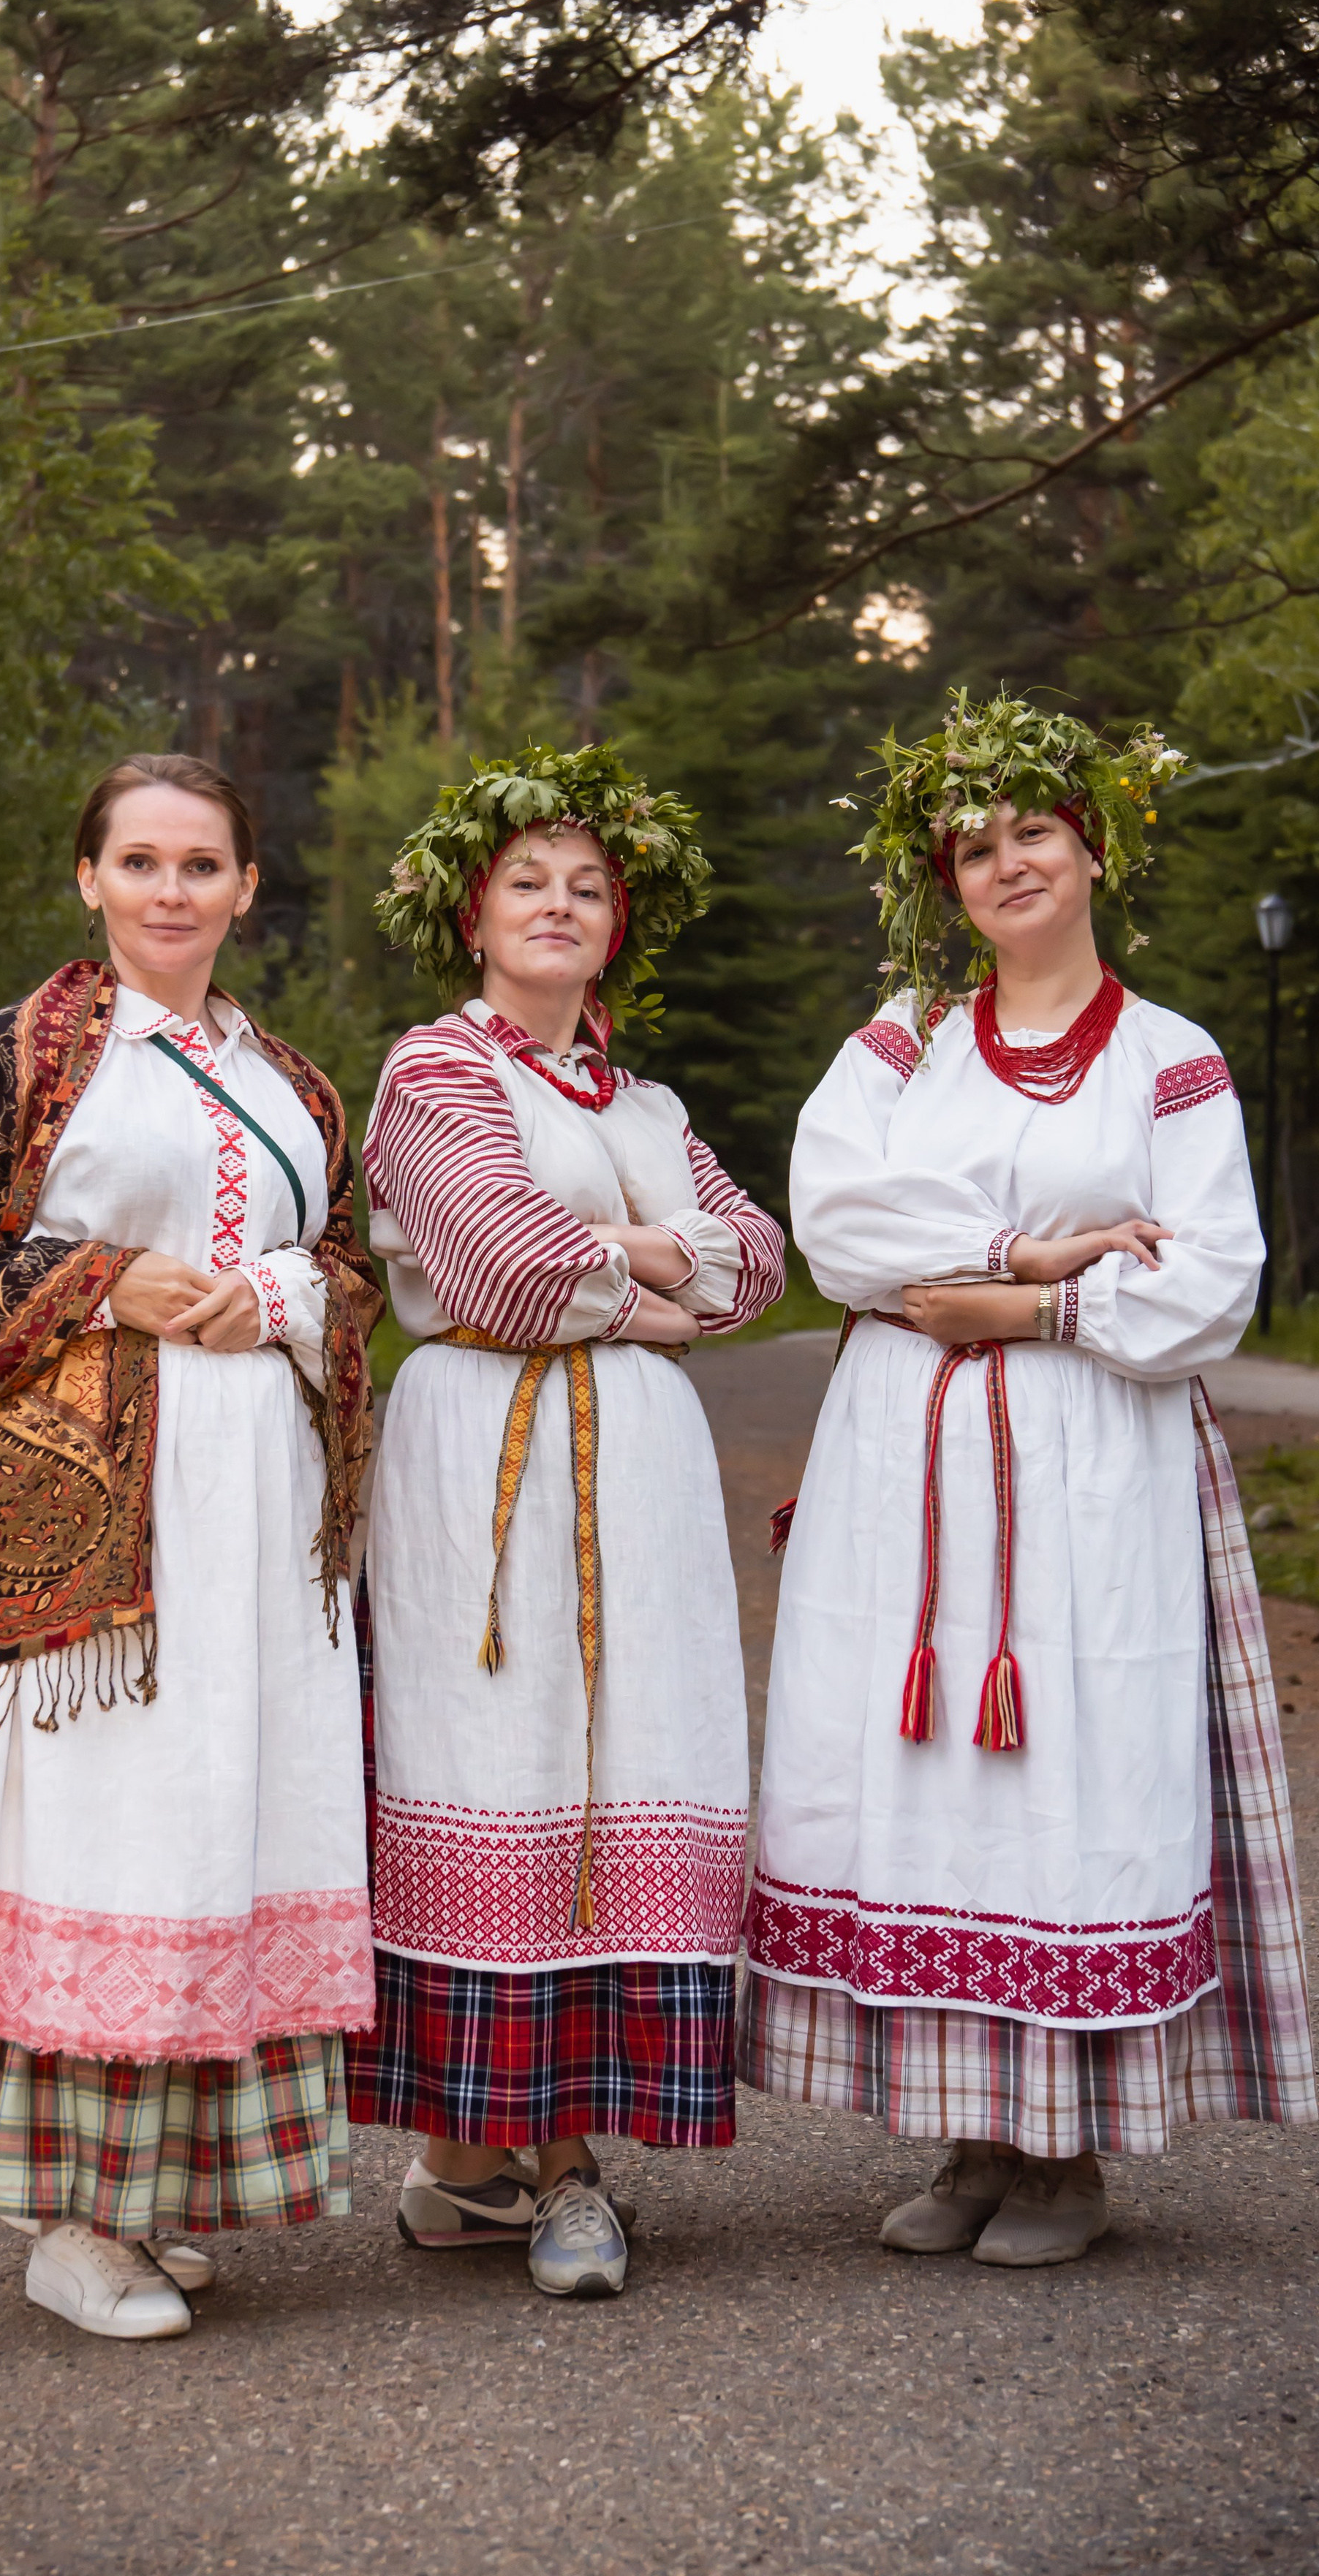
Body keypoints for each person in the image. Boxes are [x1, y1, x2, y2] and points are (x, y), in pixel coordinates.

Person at [740, 691, 1315, 2268]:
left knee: (1075, 1766)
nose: (1006, 866)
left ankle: (1062, 2157)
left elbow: (1207, 1286)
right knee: (927, 1781)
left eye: (1033, 834)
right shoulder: (900, 1043)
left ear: (1091, 848)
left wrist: (1027, 1309)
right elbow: (837, 1222)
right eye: (974, 846)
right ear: (944, 879)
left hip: (1090, 1469)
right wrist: (1020, 1244)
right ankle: (968, 2133)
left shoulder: (1165, 1056)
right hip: (905, 1461)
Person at [0, 751, 382, 2340]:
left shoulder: (293, 1081)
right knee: (113, 1829)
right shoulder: (33, 1051)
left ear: (245, 889)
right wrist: (107, 1280)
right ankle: (71, 2224)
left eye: (202, 865)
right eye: (140, 861)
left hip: (264, 1517)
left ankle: (157, 2200)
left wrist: (283, 1296)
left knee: (232, 1819)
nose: (171, 890)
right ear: (89, 879)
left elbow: (348, 1264)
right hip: (96, 1527)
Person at [346, 744, 785, 2297]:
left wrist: (633, 1262)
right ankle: (536, 2165)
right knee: (500, 1750)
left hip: (643, 1472)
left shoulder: (643, 1100)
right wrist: (654, 1273)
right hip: (483, 1455)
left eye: (585, 887)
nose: (555, 903)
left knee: (628, 1762)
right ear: (473, 912)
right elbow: (496, 1269)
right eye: (526, 879)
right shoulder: (430, 1071)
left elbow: (758, 1263)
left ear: (616, 929)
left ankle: (487, 2168)